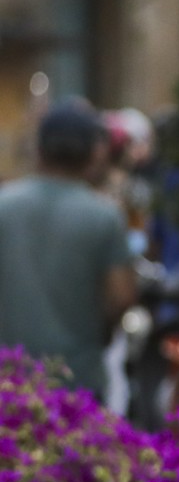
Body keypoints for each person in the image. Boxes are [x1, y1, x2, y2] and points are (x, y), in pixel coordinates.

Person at [0, 98, 139, 400]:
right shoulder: (105, 216)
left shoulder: (3, 206)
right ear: (93, 153)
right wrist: (102, 330)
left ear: (39, 150)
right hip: (77, 379)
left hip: (9, 380)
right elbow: (121, 297)